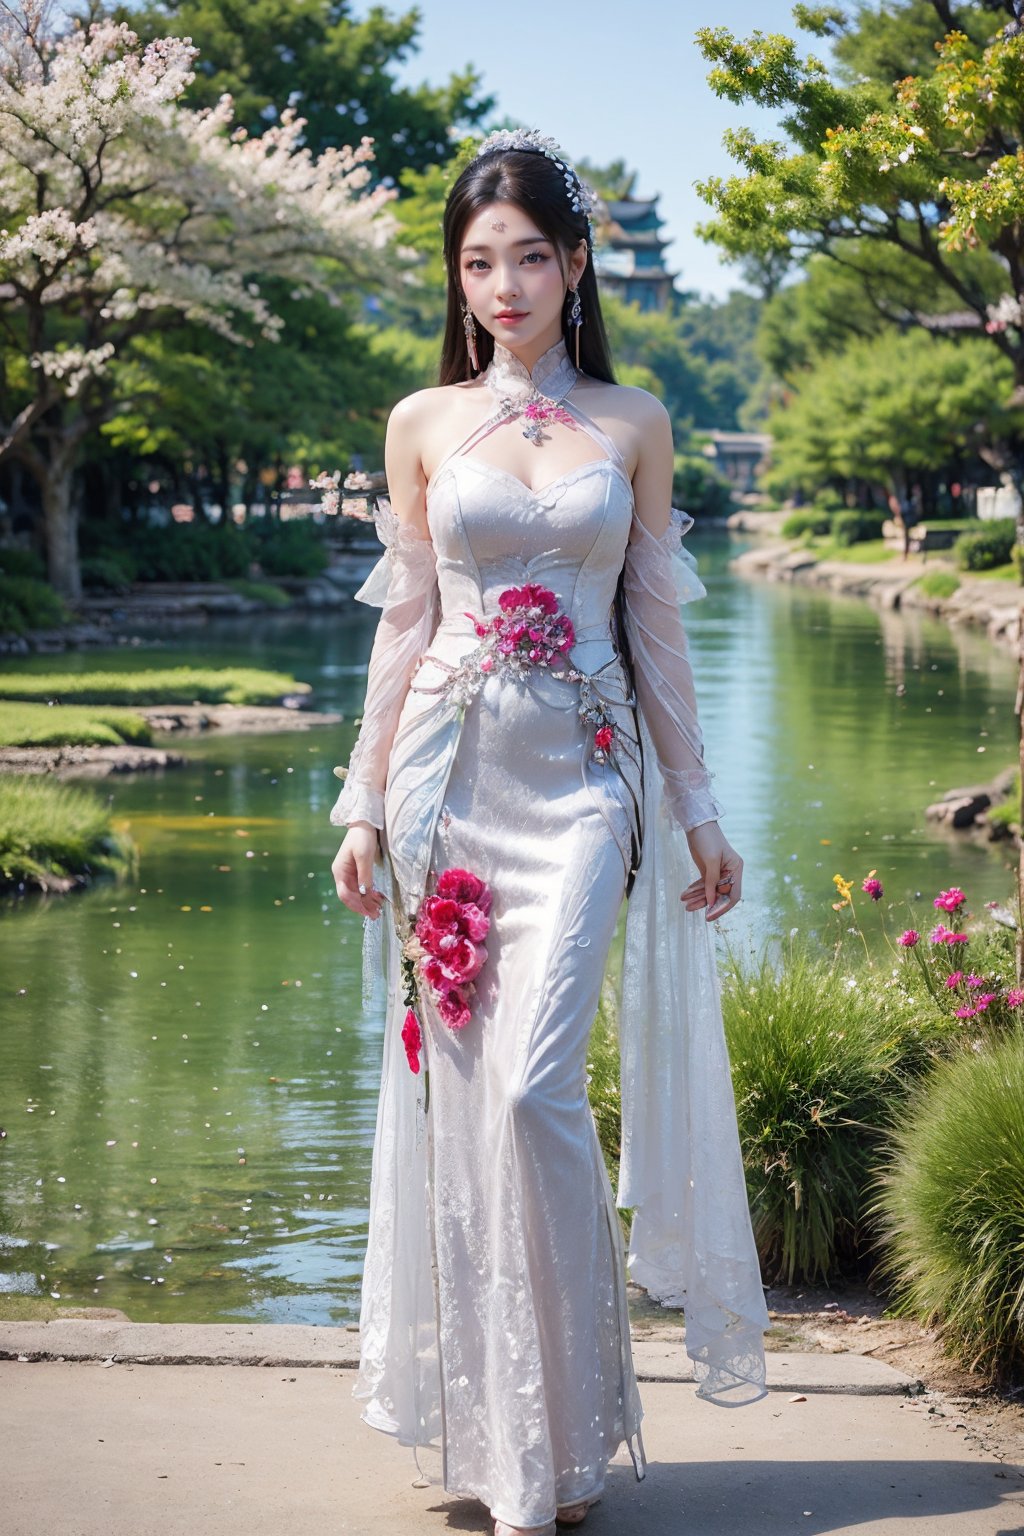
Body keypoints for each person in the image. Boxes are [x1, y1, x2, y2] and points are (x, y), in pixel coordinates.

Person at [329, 128, 770, 1536]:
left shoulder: (631, 423)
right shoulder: (420, 425)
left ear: (575, 266)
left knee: (532, 1090)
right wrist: (356, 796)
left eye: (528, 256)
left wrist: (697, 808)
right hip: (444, 788)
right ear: (456, 281)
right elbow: (407, 625)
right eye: (477, 262)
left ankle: (578, 1419)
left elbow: (655, 634)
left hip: (586, 782)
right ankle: (511, 1450)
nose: (503, 284)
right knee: (469, 1115)